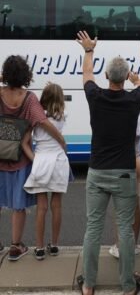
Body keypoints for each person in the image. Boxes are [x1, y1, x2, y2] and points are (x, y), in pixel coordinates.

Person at [76, 30, 140, 295]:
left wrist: (89, 51)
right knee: (125, 230)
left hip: (97, 171)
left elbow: (86, 74)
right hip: (124, 172)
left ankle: (88, 284)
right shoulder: (134, 100)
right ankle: (127, 286)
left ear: (107, 77)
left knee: (93, 229)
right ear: (126, 78)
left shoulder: (95, 97)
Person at [0, 55, 66, 262]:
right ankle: (15, 245)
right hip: (18, 158)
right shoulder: (28, 98)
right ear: (25, 74)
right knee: (18, 206)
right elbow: (42, 121)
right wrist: (61, 140)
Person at [22, 82, 70, 260]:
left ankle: (40, 248)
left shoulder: (36, 120)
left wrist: (35, 159)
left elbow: (24, 143)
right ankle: (55, 245)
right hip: (59, 161)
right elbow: (56, 104)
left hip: (41, 161)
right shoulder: (63, 116)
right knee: (56, 205)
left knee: (41, 207)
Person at [109, 72, 140, 258]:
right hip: (136, 158)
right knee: (135, 204)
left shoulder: (116, 109)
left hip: (123, 159)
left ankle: (119, 246)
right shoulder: (136, 109)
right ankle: (134, 245)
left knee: (121, 208)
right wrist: (138, 81)